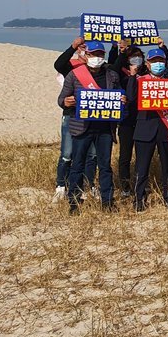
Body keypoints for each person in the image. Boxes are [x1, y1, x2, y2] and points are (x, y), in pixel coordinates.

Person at [56, 41, 121, 213]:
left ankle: (107, 201)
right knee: (77, 165)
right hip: (82, 127)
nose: (97, 58)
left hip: (105, 129)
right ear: (87, 55)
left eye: (100, 55)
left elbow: (120, 96)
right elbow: (61, 99)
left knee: (105, 166)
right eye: (93, 55)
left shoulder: (112, 75)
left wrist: (123, 100)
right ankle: (74, 202)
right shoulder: (75, 75)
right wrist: (66, 102)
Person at [127, 47, 168, 210]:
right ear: (147, 63)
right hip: (145, 128)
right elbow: (131, 99)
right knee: (142, 167)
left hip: (166, 129)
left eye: (160, 61)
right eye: (154, 61)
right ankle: (139, 200)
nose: (158, 64)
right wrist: (132, 76)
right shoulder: (140, 80)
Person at [52, 37, 96, 201]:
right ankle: (61, 186)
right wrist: (73, 46)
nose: (89, 56)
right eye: (86, 52)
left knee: (92, 154)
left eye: (92, 53)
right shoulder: (72, 66)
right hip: (72, 115)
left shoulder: (100, 69)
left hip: (93, 117)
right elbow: (58, 64)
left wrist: (116, 48)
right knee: (67, 153)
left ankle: (88, 185)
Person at [111, 41, 147, 198]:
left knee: (141, 156)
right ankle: (125, 187)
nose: (136, 60)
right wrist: (122, 51)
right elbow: (114, 66)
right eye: (133, 57)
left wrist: (162, 48)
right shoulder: (120, 74)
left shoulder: (146, 73)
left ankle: (139, 187)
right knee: (125, 156)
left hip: (142, 120)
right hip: (126, 120)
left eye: (139, 57)